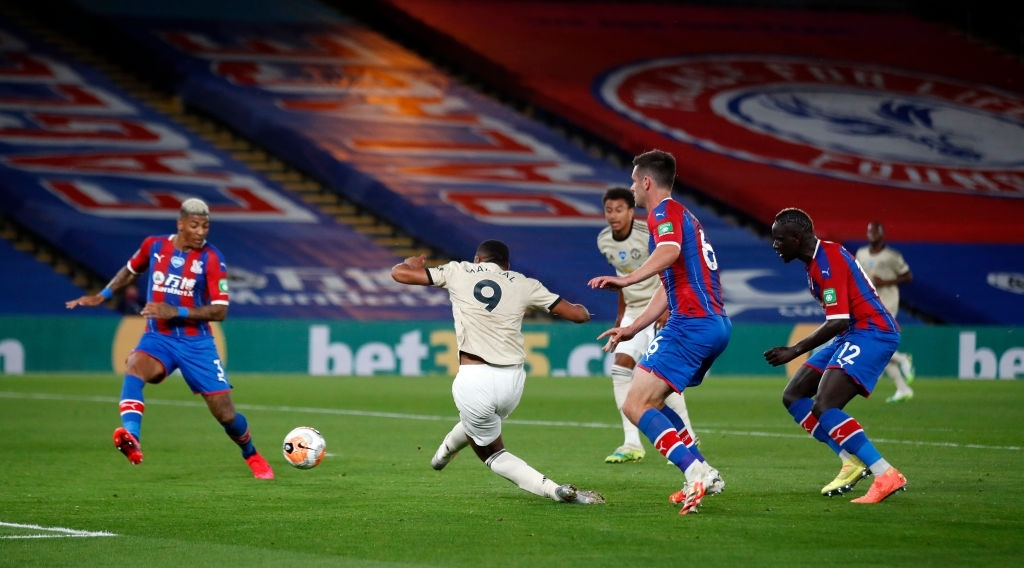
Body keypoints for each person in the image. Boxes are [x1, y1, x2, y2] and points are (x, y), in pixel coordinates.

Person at [65, 198, 274, 479]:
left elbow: (221, 311)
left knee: (226, 415)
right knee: (135, 366)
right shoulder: (154, 245)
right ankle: (132, 438)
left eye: (205, 226)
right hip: (158, 336)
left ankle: (251, 453)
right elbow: (130, 269)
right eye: (195, 225)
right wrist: (101, 295)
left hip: (196, 343)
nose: (201, 232)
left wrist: (175, 310)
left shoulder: (212, 258)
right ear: (180, 224)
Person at [391, 239, 604, 504]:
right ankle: (440, 458)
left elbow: (399, 274)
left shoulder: (458, 270)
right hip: (512, 383)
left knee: (492, 453)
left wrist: (409, 264)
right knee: (476, 424)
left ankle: (554, 490)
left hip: (474, 377)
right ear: (506, 265)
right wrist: (583, 308)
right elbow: (578, 315)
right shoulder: (524, 283)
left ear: (478, 260)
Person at [588, 149, 730, 515]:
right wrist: (632, 326)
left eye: (635, 180)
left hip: (691, 323)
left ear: (647, 181)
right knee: (653, 400)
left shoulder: (664, 212)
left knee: (634, 404)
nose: (632, 186)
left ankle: (694, 471)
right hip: (712, 323)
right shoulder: (685, 216)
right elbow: (667, 286)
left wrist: (627, 277)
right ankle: (705, 471)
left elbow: (667, 252)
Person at [763, 207, 907, 504]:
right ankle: (850, 461)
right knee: (794, 395)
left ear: (796, 237)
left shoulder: (827, 261)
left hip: (873, 332)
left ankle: (885, 474)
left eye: (779, 239)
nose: (774, 245)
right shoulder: (815, 262)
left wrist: (795, 350)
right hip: (852, 332)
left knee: (826, 404)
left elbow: (839, 320)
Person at [596, 186, 701, 464]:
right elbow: (621, 277)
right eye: (609, 210)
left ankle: (687, 434)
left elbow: (669, 267)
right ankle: (632, 442)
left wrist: (668, 308)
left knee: (659, 376)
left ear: (631, 211)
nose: (614, 215)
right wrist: (621, 316)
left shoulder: (649, 234)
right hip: (633, 310)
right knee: (620, 369)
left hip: (658, 308)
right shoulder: (604, 240)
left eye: (620, 209)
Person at [855, 221, 916, 402]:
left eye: (876, 231)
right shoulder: (861, 253)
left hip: (888, 302)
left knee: (877, 342)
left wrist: (886, 282)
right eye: (869, 231)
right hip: (871, 303)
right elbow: (858, 275)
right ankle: (902, 388)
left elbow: (908, 276)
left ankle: (903, 359)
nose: (872, 234)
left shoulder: (892, 256)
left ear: (882, 234)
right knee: (881, 348)